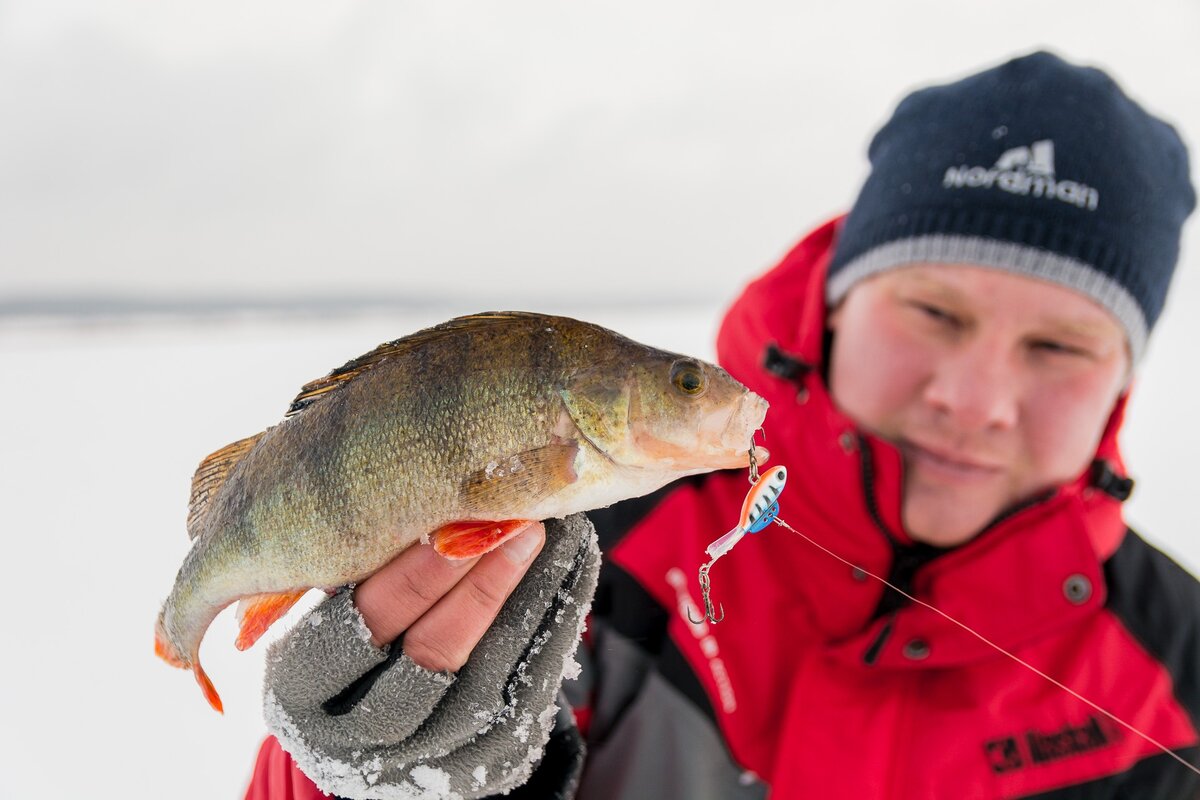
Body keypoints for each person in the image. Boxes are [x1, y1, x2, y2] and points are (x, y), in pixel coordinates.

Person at [244, 51, 1200, 799]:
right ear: (833, 305)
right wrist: (358, 775)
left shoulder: (1178, 665)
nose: (976, 398)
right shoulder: (577, 546)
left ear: (1122, 381)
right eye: (935, 314)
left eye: (1060, 347)